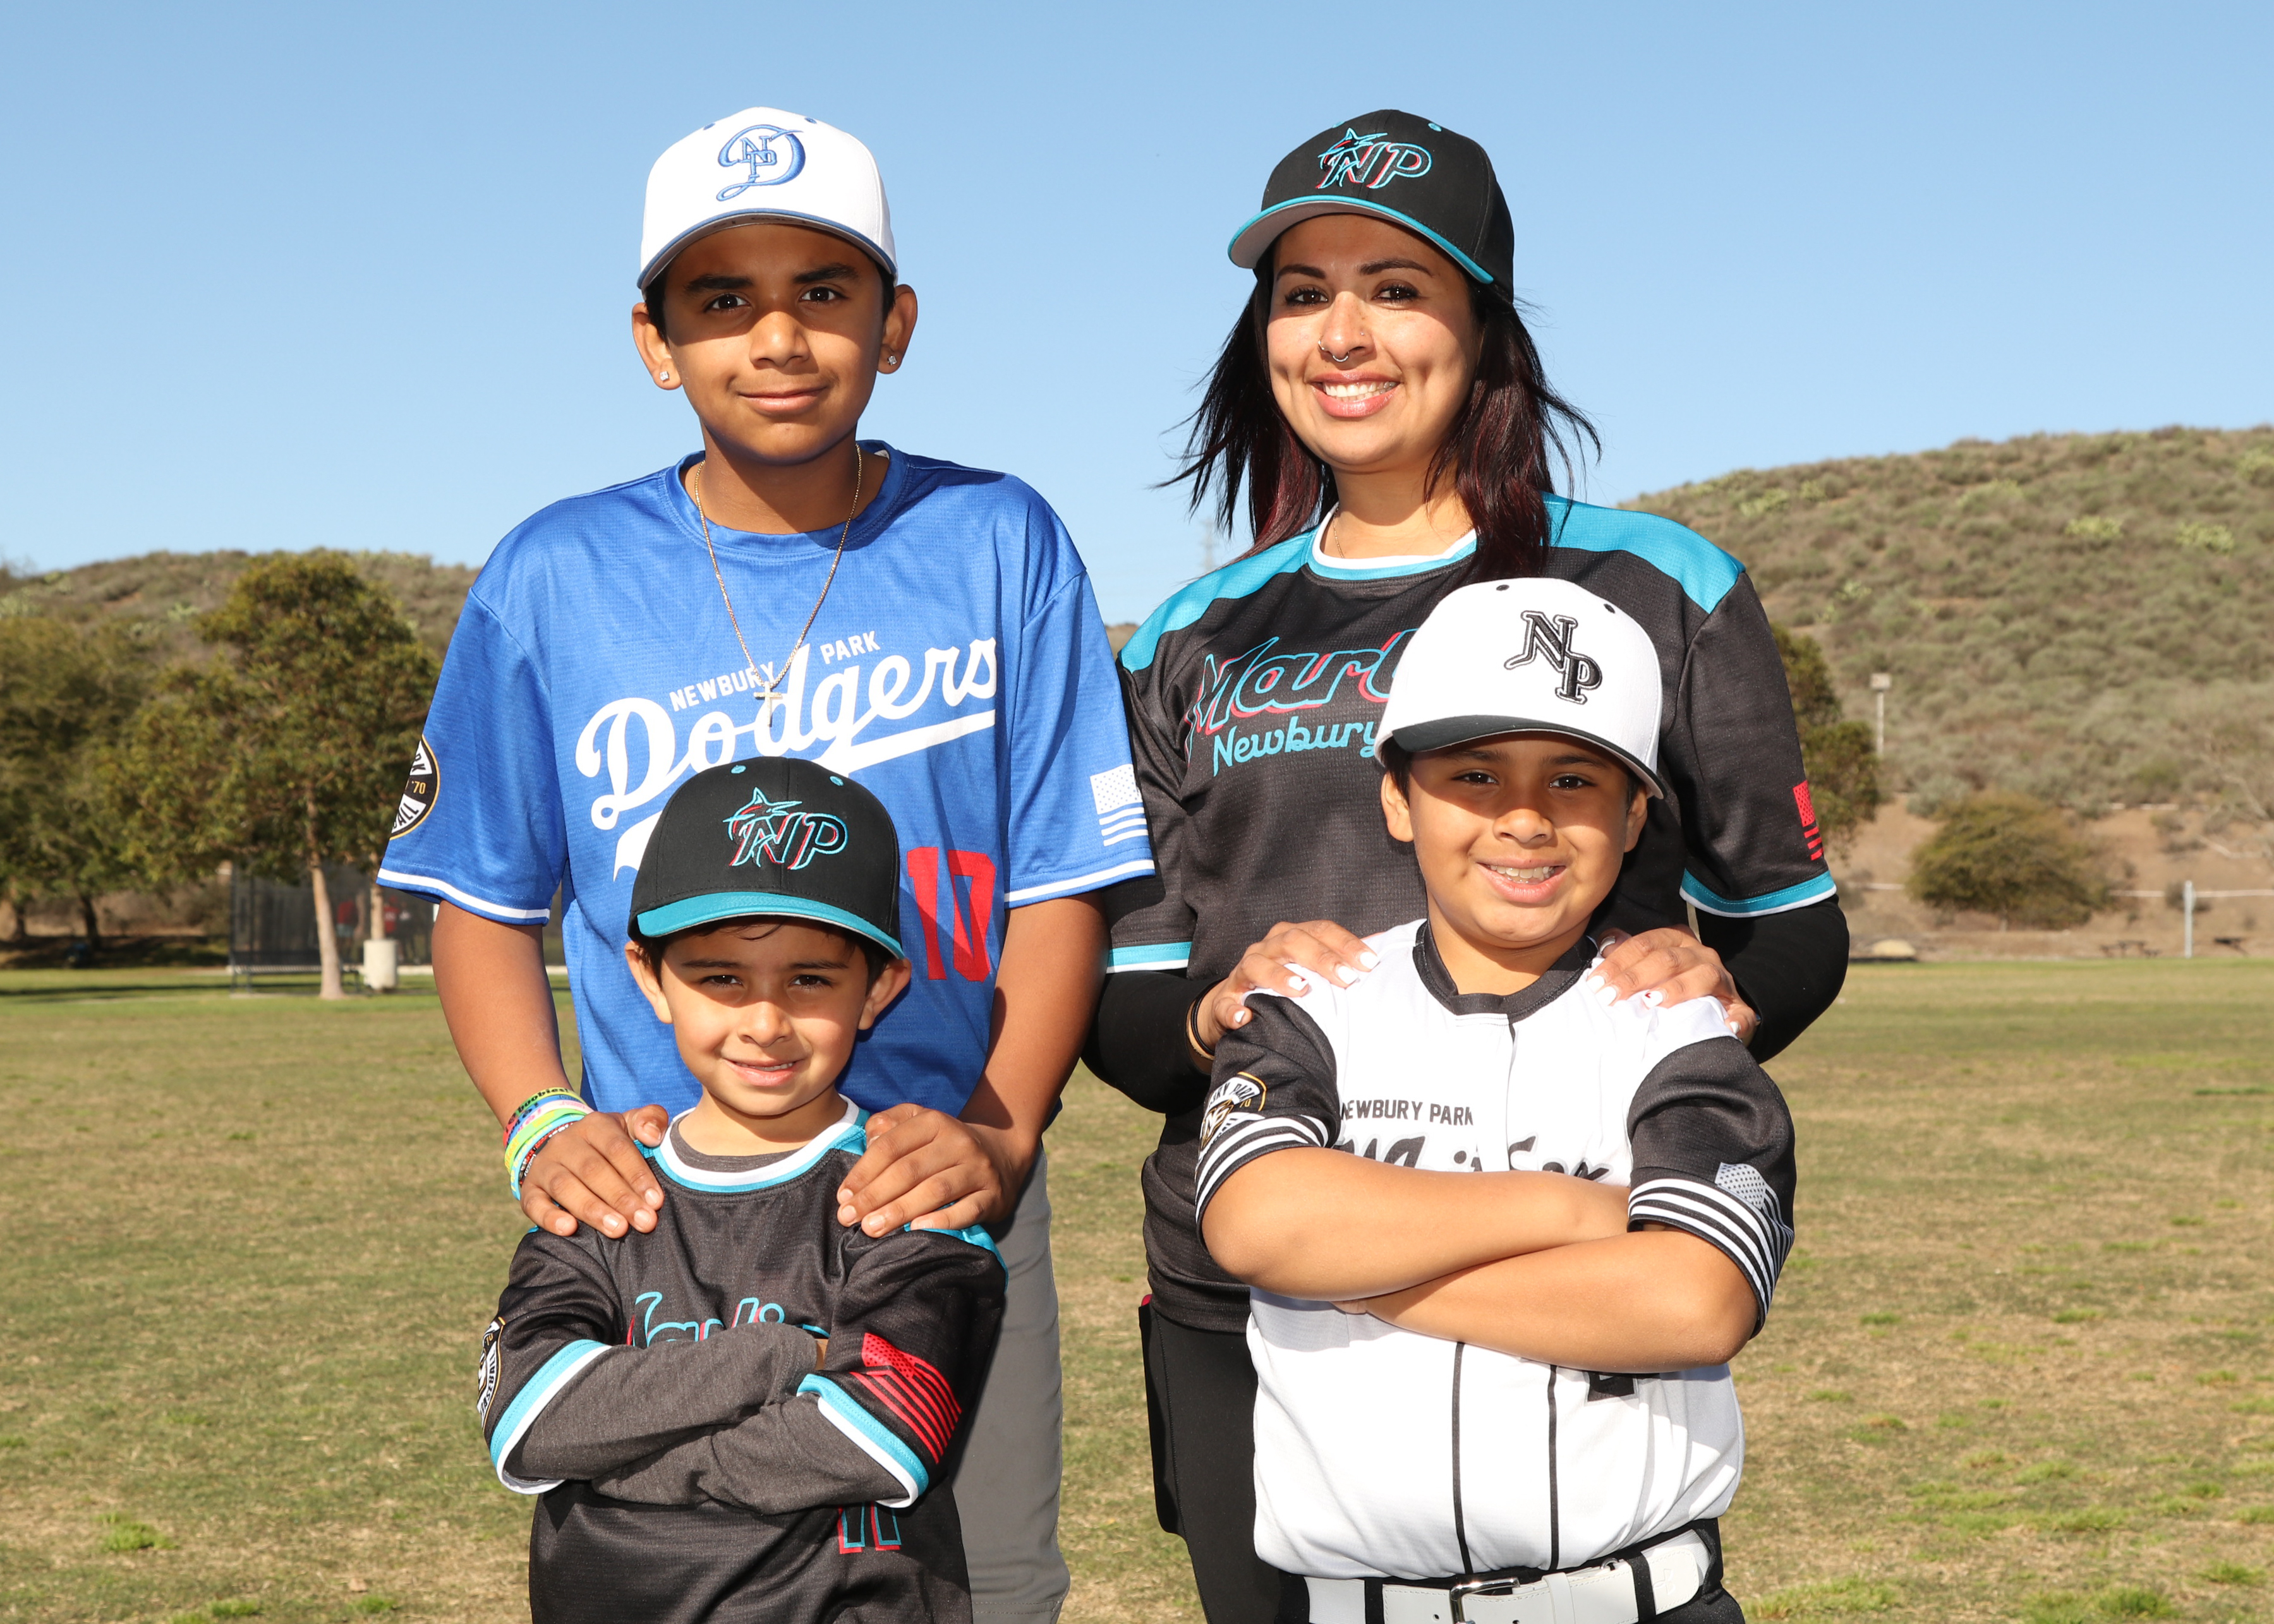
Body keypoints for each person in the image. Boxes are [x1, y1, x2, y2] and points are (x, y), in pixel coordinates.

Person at [386, 107, 1148, 1624]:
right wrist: (540, 1115)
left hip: (927, 1180)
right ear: (655, 341)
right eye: (721, 298)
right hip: (662, 1198)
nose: (778, 336)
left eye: (824, 290)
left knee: (983, 1577)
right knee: (664, 1563)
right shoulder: (556, 571)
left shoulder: (998, 537)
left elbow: (1061, 878)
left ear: (896, 322)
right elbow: (482, 894)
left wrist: (998, 1133)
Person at [1085, 110, 1845, 1620]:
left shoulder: (1656, 584)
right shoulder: (1185, 634)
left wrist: (1708, 989)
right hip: (1252, 1284)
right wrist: (1215, 1012)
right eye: (1302, 292)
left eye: (1398, 286)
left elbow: (1789, 925)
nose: (1343, 332)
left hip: (1585, 1259)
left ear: (1485, 323)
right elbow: (1125, 999)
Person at [1196, 579, 1793, 1624]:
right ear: (1398, 799)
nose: (1524, 819)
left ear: (1634, 815)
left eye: (1575, 779)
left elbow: (1695, 1302)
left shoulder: (1681, 1022)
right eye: (1474, 775)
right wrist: (1572, 1211)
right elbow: (1260, 1223)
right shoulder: (1309, 1001)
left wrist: (1364, 1281)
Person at [480, 757, 1005, 1624]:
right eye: (721, 977)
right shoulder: (603, 1188)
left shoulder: (906, 1194)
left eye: (810, 979)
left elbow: (877, 1434)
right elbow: (528, 1418)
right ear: (650, 977)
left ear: (878, 988)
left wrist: (612, 1460)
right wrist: (783, 1358)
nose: (765, 1022)